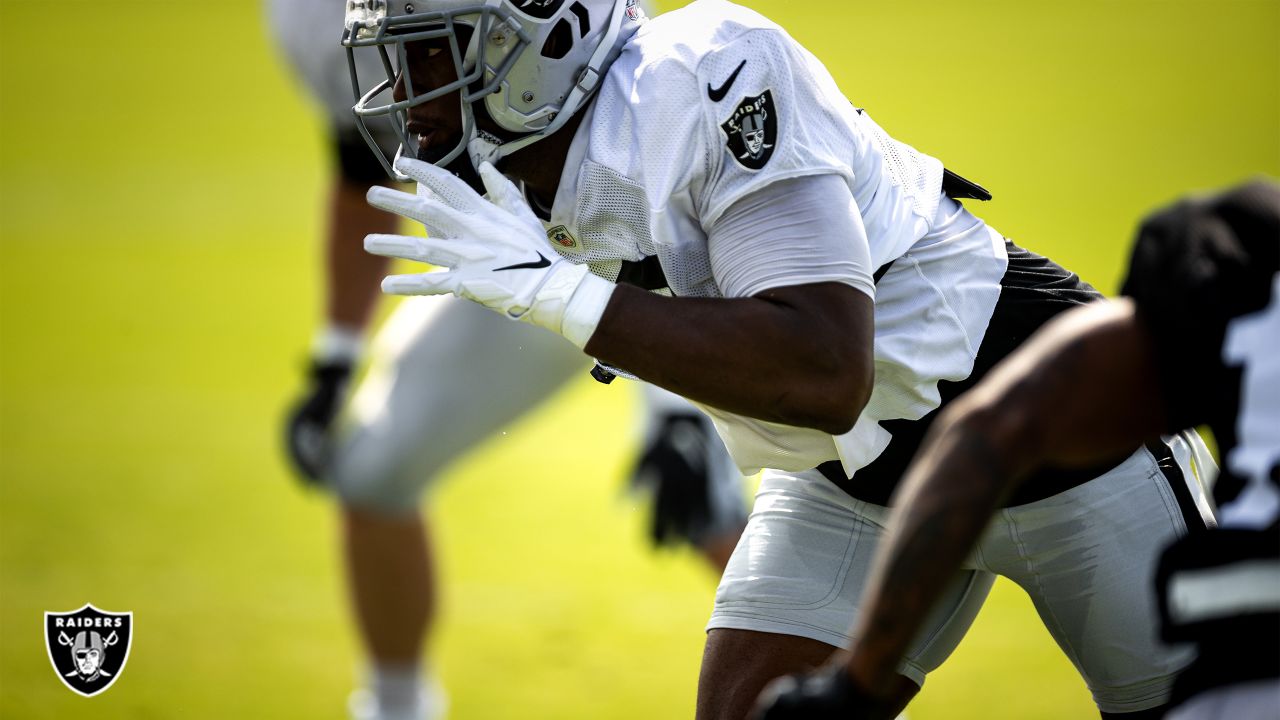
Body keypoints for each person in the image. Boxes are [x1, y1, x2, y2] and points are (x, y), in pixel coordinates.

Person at [341, 0, 1214, 717]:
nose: (404, 92)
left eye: (430, 56)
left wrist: (565, 297)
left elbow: (826, 368)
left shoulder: (698, 72)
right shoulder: (511, 162)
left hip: (1053, 430)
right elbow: (692, 307)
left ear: (544, 37)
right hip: (853, 480)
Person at [268, 2, 749, 719]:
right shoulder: (305, 16)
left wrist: (673, 410)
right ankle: (396, 708)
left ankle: (845, 691)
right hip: (497, 252)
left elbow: (652, 175)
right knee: (371, 473)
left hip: (629, 232)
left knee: (704, 501)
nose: (402, 90)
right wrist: (335, 357)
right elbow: (360, 172)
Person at [754, 181, 1278, 720]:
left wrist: (855, 688)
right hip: (856, 468)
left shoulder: (1238, 248)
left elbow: (993, 429)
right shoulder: (1243, 249)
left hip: (1231, 647)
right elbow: (992, 431)